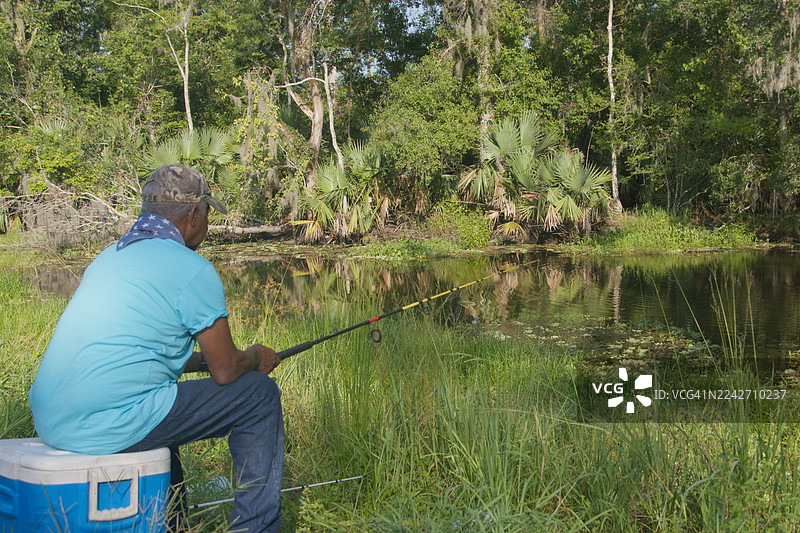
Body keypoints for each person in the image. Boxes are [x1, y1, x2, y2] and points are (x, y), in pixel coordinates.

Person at [29, 163, 283, 532]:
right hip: (106, 424)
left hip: (54, 421)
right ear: (194, 215)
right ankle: (256, 527)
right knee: (258, 395)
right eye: (209, 212)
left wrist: (203, 364)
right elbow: (227, 370)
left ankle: (170, 522)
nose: (208, 223)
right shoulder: (191, 268)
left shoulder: (110, 256)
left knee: (160, 403)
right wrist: (257, 356)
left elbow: (141, 354)